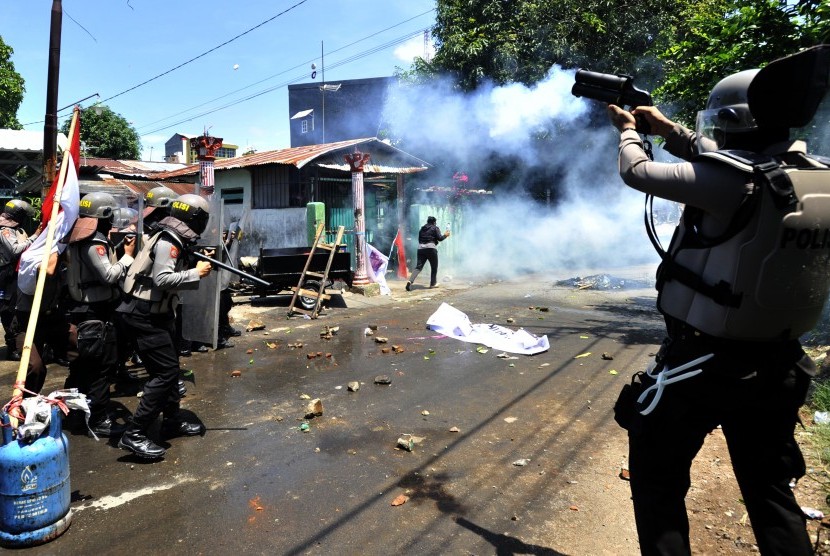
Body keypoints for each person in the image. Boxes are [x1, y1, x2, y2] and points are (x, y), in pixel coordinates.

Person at [608, 47, 830, 556]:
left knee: (658, 479)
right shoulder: (816, 176)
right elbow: (720, 160)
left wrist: (629, 131)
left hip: (704, 365)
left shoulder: (731, 181)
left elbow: (637, 172)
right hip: (781, 366)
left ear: (727, 124)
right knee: (771, 492)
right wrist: (670, 130)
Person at [116, 193, 212, 459]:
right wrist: (197, 273)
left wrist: (196, 263)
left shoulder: (172, 236)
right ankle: (134, 433)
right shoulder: (169, 240)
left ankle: (171, 420)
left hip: (157, 314)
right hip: (144, 315)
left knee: (171, 369)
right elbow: (162, 279)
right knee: (165, 373)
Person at [64, 192, 135, 437]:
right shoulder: (94, 242)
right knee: (100, 368)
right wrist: (127, 257)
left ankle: (73, 415)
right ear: (103, 215)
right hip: (95, 312)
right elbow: (108, 275)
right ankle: (98, 418)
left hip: (82, 311)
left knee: (81, 368)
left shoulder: (77, 239)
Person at [0, 199, 39, 361]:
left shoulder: (15, 229)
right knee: (7, 309)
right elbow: (15, 250)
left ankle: (16, 344)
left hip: (13, 274)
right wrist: (35, 237)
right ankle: (12, 347)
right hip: (5, 275)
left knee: (14, 307)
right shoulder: (5, 230)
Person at [405, 216, 450, 291]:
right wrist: (445, 235)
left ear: (427, 221)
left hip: (420, 249)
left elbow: (419, 240)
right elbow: (440, 238)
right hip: (431, 249)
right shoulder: (435, 228)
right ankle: (432, 284)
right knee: (434, 267)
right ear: (434, 222)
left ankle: (410, 281)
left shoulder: (422, 229)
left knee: (418, 267)